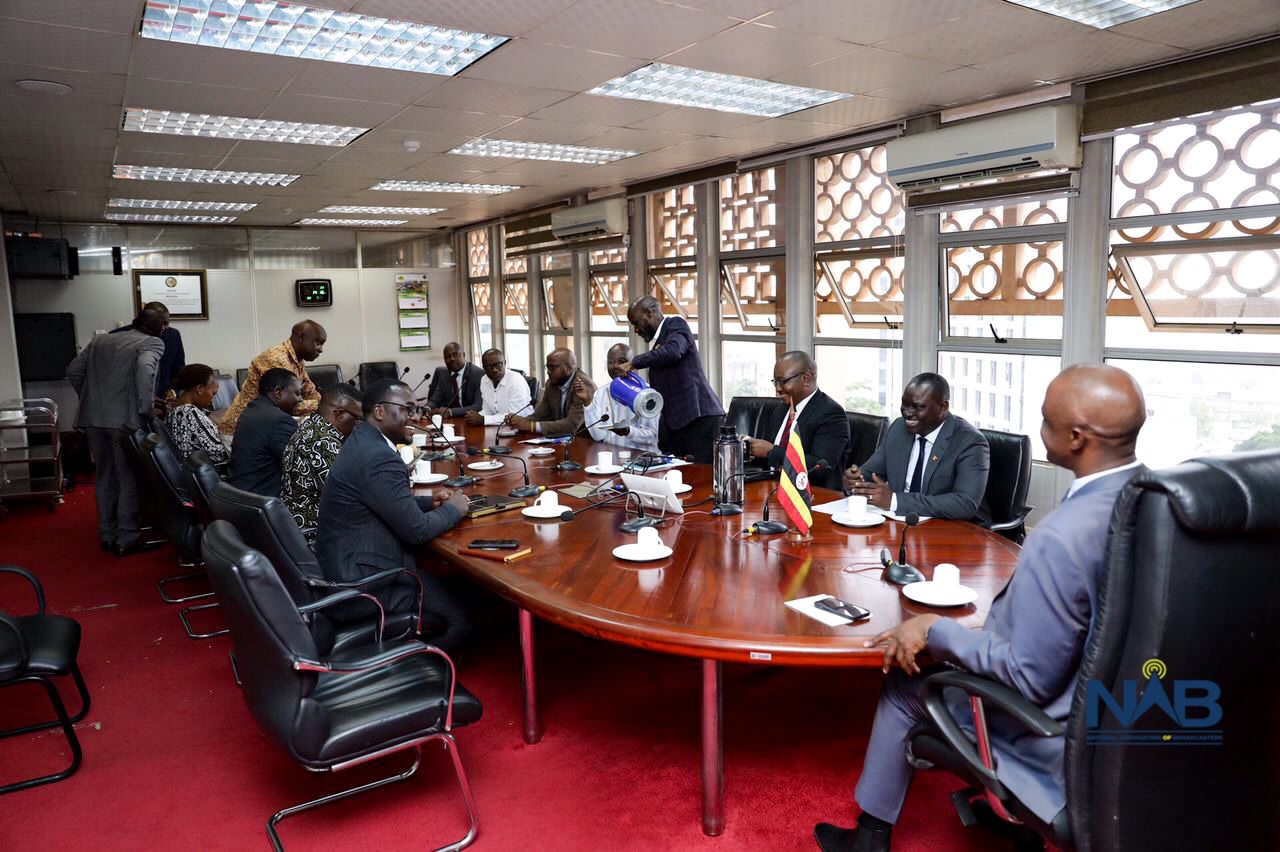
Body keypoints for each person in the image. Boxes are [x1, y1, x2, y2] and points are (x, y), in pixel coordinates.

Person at [813, 365, 1147, 852]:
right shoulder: (1155, 501)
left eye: (1045, 419)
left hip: (1052, 729)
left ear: (1076, 438)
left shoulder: (1060, 537)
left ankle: (870, 837)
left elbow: (1027, 675)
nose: (1039, 428)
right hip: (1122, 713)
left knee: (905, 686)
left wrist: (933, 630)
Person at [315, 379, 472, 652]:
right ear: (379, 411)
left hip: (344, 568)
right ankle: (421, 669)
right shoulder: (378, 456)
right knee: (464, 617)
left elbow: (377, 500)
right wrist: (454, 508)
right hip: (366, 584)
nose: (415, 416)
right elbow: (417, 531)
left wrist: (428, 502)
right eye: (407, 409)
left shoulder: (363, 440)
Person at [66, 307, 166, 556]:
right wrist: (146, 408)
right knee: (128, 477)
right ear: (158, 327)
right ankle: (127, 537)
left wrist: (90, 399)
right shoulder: (152, 342)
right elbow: (145, 368)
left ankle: (107, 534)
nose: (166, 329)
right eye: (165, 324)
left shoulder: (101, 340)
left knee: (104, 476)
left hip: (93, 419)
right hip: (125, 423)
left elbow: (73, 370)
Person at [842, 373, 990, 523]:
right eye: (904, 404)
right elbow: (870, 473)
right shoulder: (899, 428)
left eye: (919, 407)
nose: (907, 413)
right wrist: (855, 480)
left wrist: (895, 501)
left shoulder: (969, 441)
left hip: (954, 529)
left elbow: (965, 503)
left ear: (943, 407)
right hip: (901, 523)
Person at [621, 295, 725, 464]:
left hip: (700, 418)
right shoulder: (660, 342)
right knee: (675, 473)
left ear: (650, 313)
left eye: (636, 323)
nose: (636, 330)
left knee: (700, 475)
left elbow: (674, 351)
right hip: (677, 423)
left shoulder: (676, 325)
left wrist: (634, 363)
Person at [743, 351, 849, 492]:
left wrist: (771, 451)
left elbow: (821, 467)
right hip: (772, 488)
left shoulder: (831, 414)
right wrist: (749, 448)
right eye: (775, 382)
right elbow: (770, 457)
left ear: (806, 379)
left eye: (783, 381)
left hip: (812, 495)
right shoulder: (781, 410)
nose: (778, 389)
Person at [281, 383, 362, 542]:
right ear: (340, 414)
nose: (359, 425)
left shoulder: (310, 425)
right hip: (315, 532)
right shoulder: (323, 442)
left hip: (295, 524)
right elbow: (349, 497)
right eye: (358, 419)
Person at [218, 320, 326, 435]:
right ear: (301, 337)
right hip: (241, 431)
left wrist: (324, 404)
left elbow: (309, 391)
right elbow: (290, 405)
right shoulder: (276, 358)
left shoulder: (297, 360)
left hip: (264, 426)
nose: (321, 349)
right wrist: (325, 407)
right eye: (318, 343)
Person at [575, 342, 659, 454]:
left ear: (632, 364)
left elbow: (653, 437)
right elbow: (598, 436)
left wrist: (628, 431)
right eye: (610, 362)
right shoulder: (601, 393)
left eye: (622, 361)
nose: (615, 366)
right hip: (612, 457)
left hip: (642, 458)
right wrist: (587, 403)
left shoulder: (647, 395)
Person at [226, 368, 299, 497]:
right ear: (278, 392)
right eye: (297, 393)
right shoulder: (279, 420)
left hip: (242, 494)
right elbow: (301, 466)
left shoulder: (253, 409)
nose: (300, 399)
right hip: (264, 497)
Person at [505, 347, 594, 438]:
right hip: (560, 439)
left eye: (552, 367)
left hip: (583, 441)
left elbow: (572, 425)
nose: (548, 372)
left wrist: (530, 426)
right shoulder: (552, 383)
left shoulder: (583, 386)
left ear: (569, 368)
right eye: (547, 367)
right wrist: (519, 422)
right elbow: (541, 415)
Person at [110, 301, 185, 399]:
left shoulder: (173, 335)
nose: (165, 327)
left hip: (163, 397)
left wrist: (174, 391)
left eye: (167, 323)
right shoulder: (118, 336)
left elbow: (179, 369)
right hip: (127, 398)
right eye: (162, 323)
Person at [167, 364, 230, 469]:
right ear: (200, 389)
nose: (213, 399)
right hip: (214, 473)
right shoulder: (189, 413)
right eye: (213, 394)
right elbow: (219, 454)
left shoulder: (178, 408)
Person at [463, 348, 533, 426]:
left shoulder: (516, 380)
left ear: (505, 363)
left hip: (523, 427)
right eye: (490, 366)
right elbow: (487, 411)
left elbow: (514, 417)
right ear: (484, 368)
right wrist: (474, 416)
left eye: (499, 364)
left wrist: (483, 419)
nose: (495, 370)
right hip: (498, 427)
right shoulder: (484, 380)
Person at [425, 341, 484, 418]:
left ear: (463, 355)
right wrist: (426, 409)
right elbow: (434, 400)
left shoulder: (477, 374)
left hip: (470, 418)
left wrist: (451, 412)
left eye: (455, 355)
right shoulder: (444, 374)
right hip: (450, 420)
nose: (452, 359)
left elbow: (478, 406)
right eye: (447, 357)